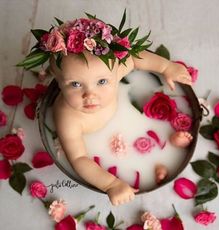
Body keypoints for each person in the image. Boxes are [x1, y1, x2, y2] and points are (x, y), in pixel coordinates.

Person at [17, 12, 193, 206]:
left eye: (101, 82)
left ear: (116, 71)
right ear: (57, 81)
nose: (90, 95)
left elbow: (135, 58)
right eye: (75, 84)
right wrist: (110, 184)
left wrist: (166, 67)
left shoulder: (112, 69)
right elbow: (79, 158)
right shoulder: (68, 117)